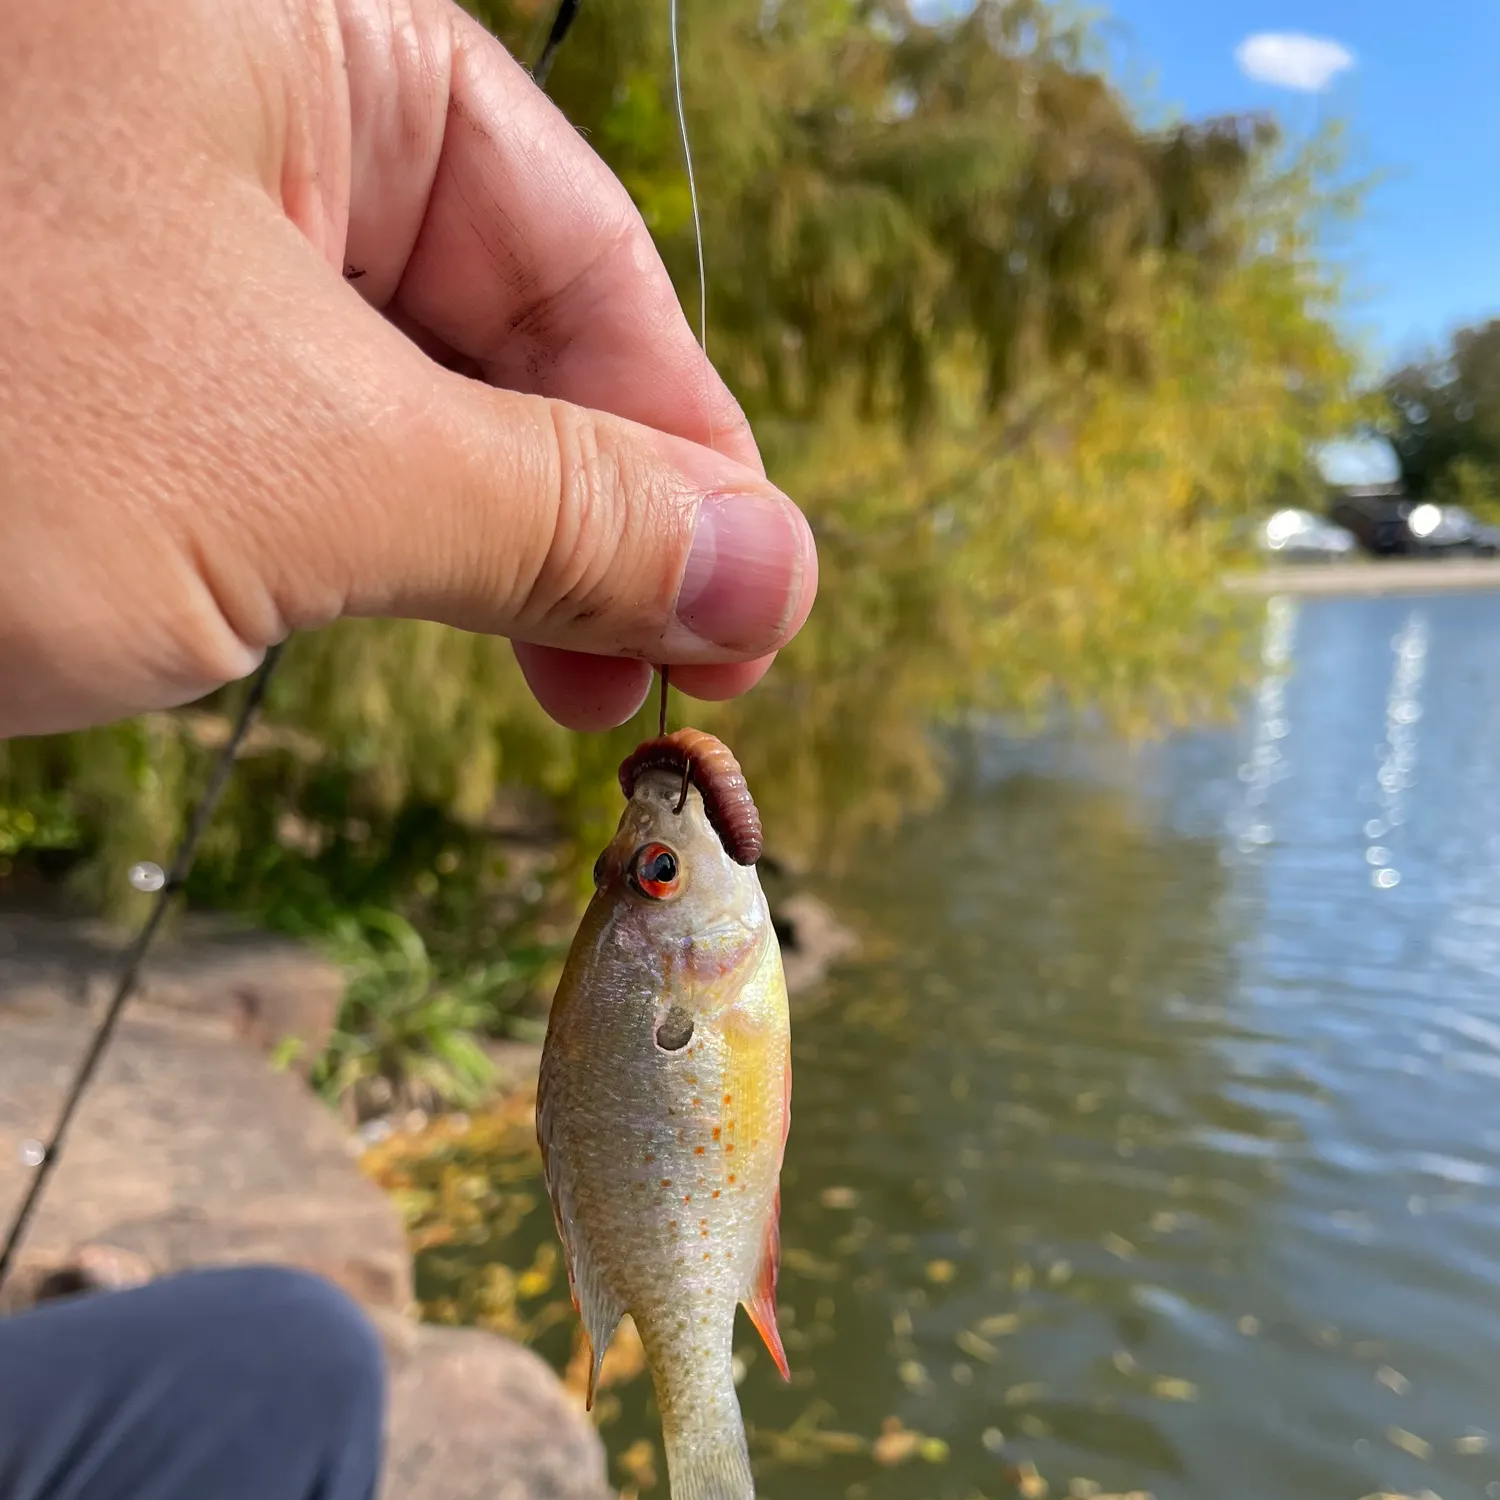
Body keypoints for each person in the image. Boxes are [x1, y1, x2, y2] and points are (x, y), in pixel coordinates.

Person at [0, 0, 819, 1495]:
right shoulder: (718, 968)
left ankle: (698, 1384)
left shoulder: (702, 967)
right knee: (294, 1355)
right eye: (649, 871)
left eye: (646, 872)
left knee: (294, 1350)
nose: (668, 861)